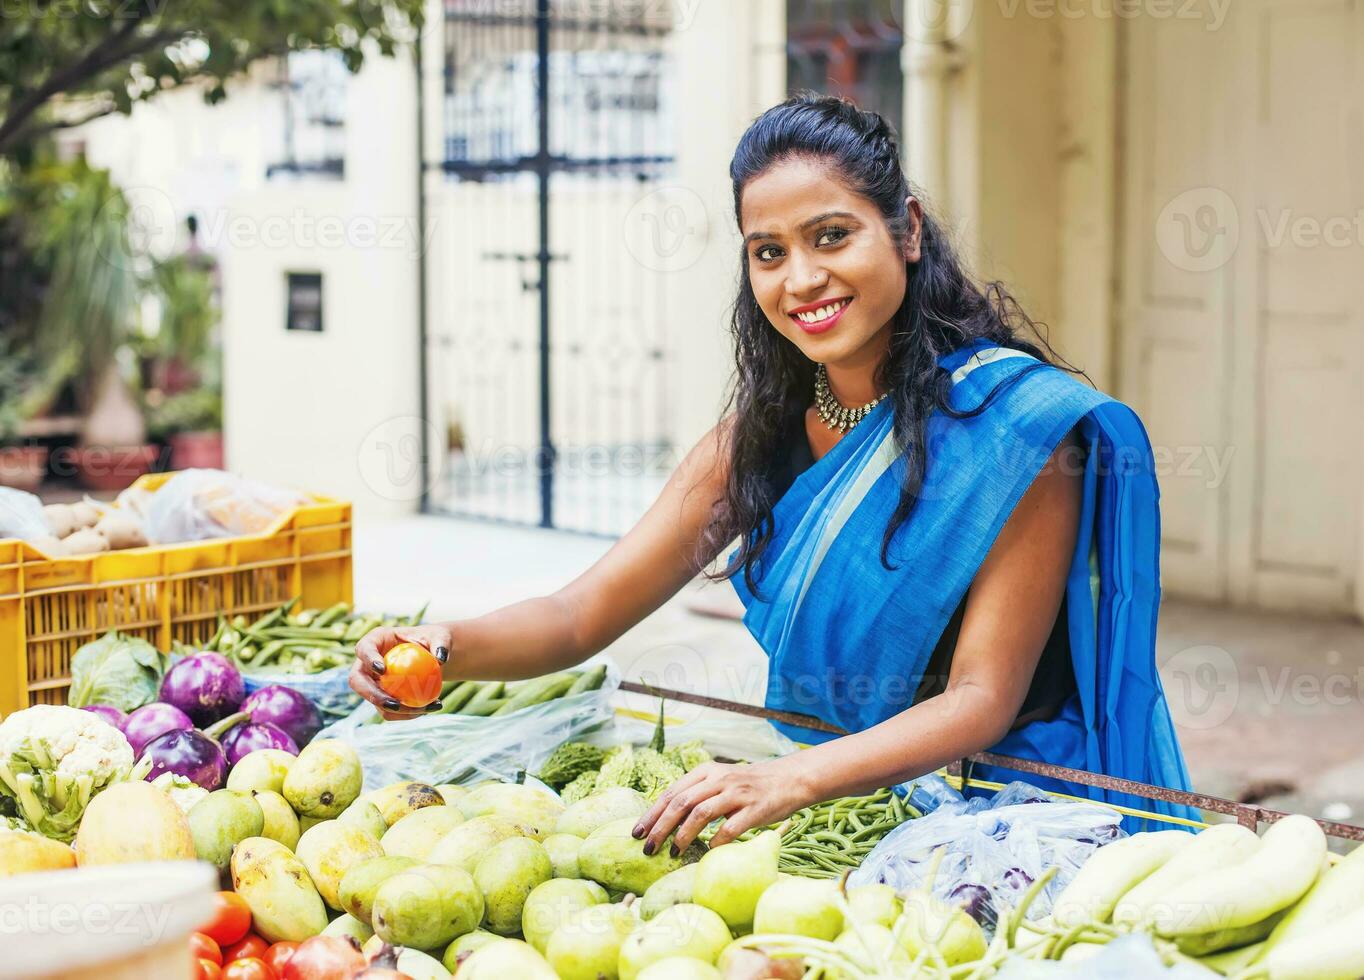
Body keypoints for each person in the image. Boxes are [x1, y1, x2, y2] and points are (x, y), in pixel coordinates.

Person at [351, 93, 1196, 857]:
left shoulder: (1018, 430)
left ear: (904, 229)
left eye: (832, 236)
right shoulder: (751, 441)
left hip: (1005, 821)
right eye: (768, 251)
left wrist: (790, 781)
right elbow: (579, 615)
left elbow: (981, 697)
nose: (802, 280)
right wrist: (438, 648)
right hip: (837, 824)